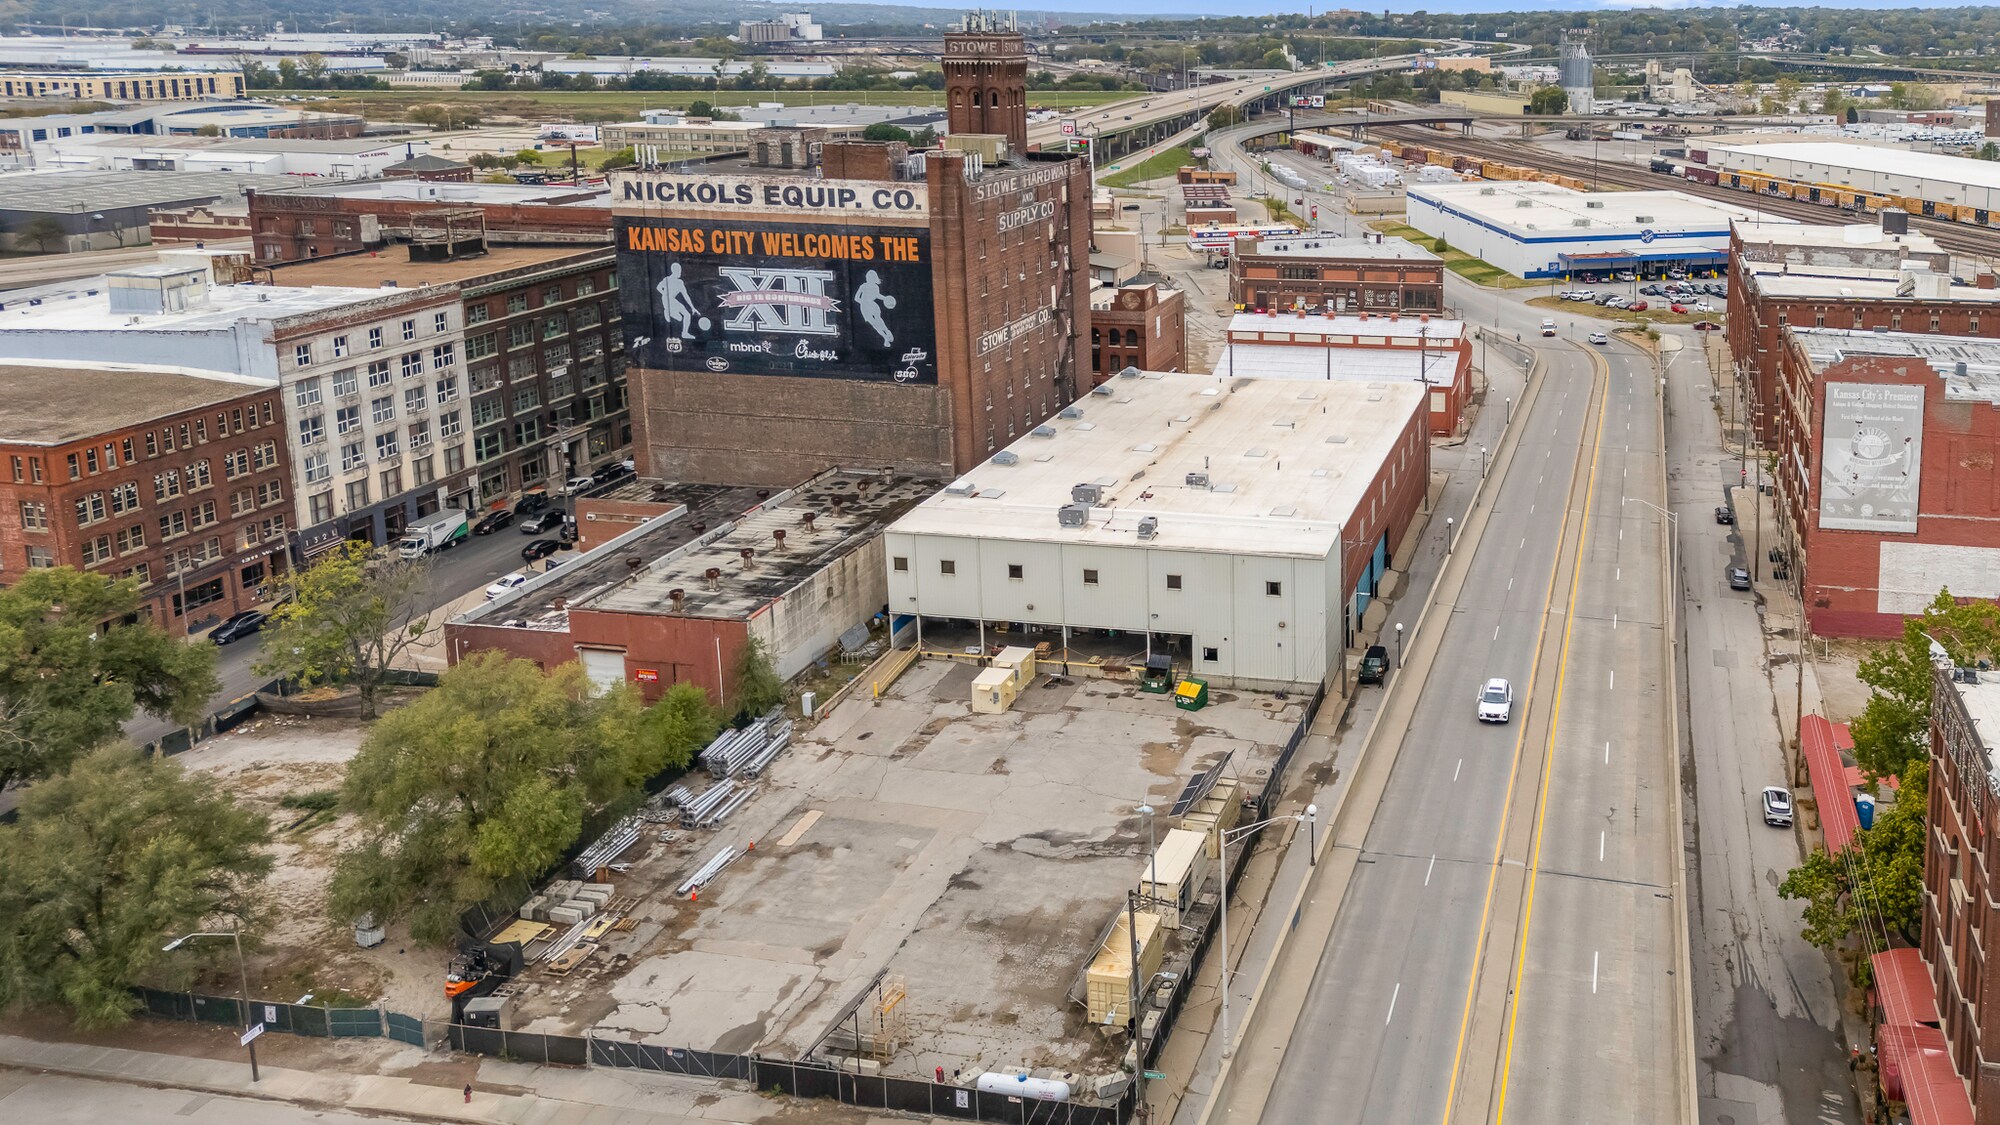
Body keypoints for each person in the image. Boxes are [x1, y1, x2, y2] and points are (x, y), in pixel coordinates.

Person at [656, 263, 704, 340]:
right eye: (679, 271)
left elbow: (686, 296)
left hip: (672, 300)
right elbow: (658, 287)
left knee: (680, 318)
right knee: (687, 315)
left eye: (680, 271)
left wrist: (693, 308)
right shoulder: (667, 279)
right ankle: (684, 333)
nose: (680, 272)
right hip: (667, 299)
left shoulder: (680, 282)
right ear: (674, 271)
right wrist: (665, 294)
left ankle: (669, 313)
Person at [852, 269, 896, 348]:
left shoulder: (876, 287)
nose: (869, 278)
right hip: (865, 307)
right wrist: (863, 302)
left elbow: (877, 295)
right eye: (868, 277)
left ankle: (887, 332)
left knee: (879, 321)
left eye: (871, 277)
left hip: (872, 305)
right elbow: (856, 298)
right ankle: (885, 338)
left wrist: (885, 298)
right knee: (875, 325)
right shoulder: (863, 286)